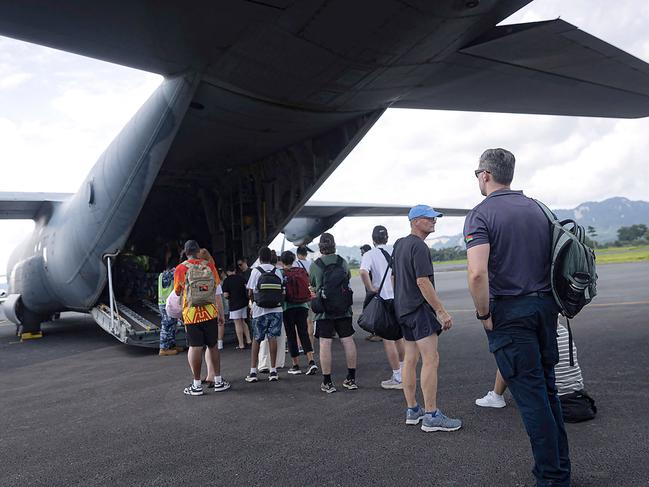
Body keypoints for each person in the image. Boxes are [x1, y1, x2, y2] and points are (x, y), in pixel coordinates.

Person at [465, 148, 570, 486]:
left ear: (485, 175)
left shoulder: (480, 215)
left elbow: (477, 273)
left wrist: (484, 314)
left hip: (511, 313)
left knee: (531, 399)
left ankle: (552, 479)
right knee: (547, 392)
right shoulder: (538, 208)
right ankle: (559, 470)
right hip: (545, 309)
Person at [392, 205, 461, 432]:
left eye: (434, 218)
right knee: (431, 359)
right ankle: (431, 415)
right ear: (415, 221)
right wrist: (441, 311)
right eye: (429, 218)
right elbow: (423, 282)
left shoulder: (399, 245)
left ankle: (413, 410)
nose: (434, 221)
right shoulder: (419, 246)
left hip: (403, 309)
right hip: (419, 311)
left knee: (410, 360)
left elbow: (395, 278)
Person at [174, 240, 230, 395]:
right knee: (213, 346)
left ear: (186, 253)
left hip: (191, 314)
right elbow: (216, 288)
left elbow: (177, 292)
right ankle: (218, 381)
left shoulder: (180, 268)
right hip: (210, 312)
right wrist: (220, 313)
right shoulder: (209, 265)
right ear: (198, 251)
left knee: (195, 347)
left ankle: (197, 385)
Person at [310, 233, 358, 393]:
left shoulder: (316, 264)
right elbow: (347, 278)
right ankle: (351, 379)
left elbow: (313, 285)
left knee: (325, 343)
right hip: (344, 309)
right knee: (348, 341)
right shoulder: (342, 262)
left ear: (320, 246)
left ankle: (327, 382)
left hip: (324, 311)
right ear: (334, 245)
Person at [359, 225, 405, 389]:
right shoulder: (395, 250)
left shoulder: (369, 254)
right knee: (400, 337)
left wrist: (371, 287)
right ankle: (405, 373)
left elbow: (363, 272)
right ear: (387, 237)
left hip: (384, 299)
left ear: (373, 239)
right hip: (399, 298)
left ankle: (398, 376)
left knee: (388, 339)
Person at [245, 247, 284, 383]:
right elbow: (282, 290)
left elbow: (250, 292)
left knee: (257, 339)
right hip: (276, 310)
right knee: (272, 338)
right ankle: (273, 370)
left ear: (260, 258)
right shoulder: (277, 271)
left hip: (259, 311)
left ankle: (253, 372)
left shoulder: (256, 271)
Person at [281, 250, 318, 375]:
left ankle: (295, 365)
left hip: (287, 307)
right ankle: (311, 361)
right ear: (293, 260)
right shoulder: (300, 271)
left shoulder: (281, 273)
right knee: (303, 333)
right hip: (302, 305)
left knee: (291, 335)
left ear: (282, 261)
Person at [222, 263, 252, 350]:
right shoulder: (241, 278)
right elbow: (247, 288)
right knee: (243, 322)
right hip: (244, 303)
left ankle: (241, 344)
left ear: (227, 272)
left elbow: (226, 295)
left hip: (234, 304)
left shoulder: (227, 281)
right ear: (234, 270)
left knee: (237, 323)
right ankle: (249, 341)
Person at [294, 245, 315, 350]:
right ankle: (310, 346)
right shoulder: (312, 264)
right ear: (306, 254)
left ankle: (300, 345)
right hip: (310, 294)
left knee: (299, 322)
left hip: (299, 296)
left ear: (297, 254)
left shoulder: (296, 264)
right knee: (310, 321)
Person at [158, 264, 180, 356]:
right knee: (166, 325)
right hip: (166, 303)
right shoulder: (168, 275)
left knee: (172, 325)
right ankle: (163, 348)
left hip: (167, 303)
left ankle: (171, 345)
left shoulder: (162, 274)